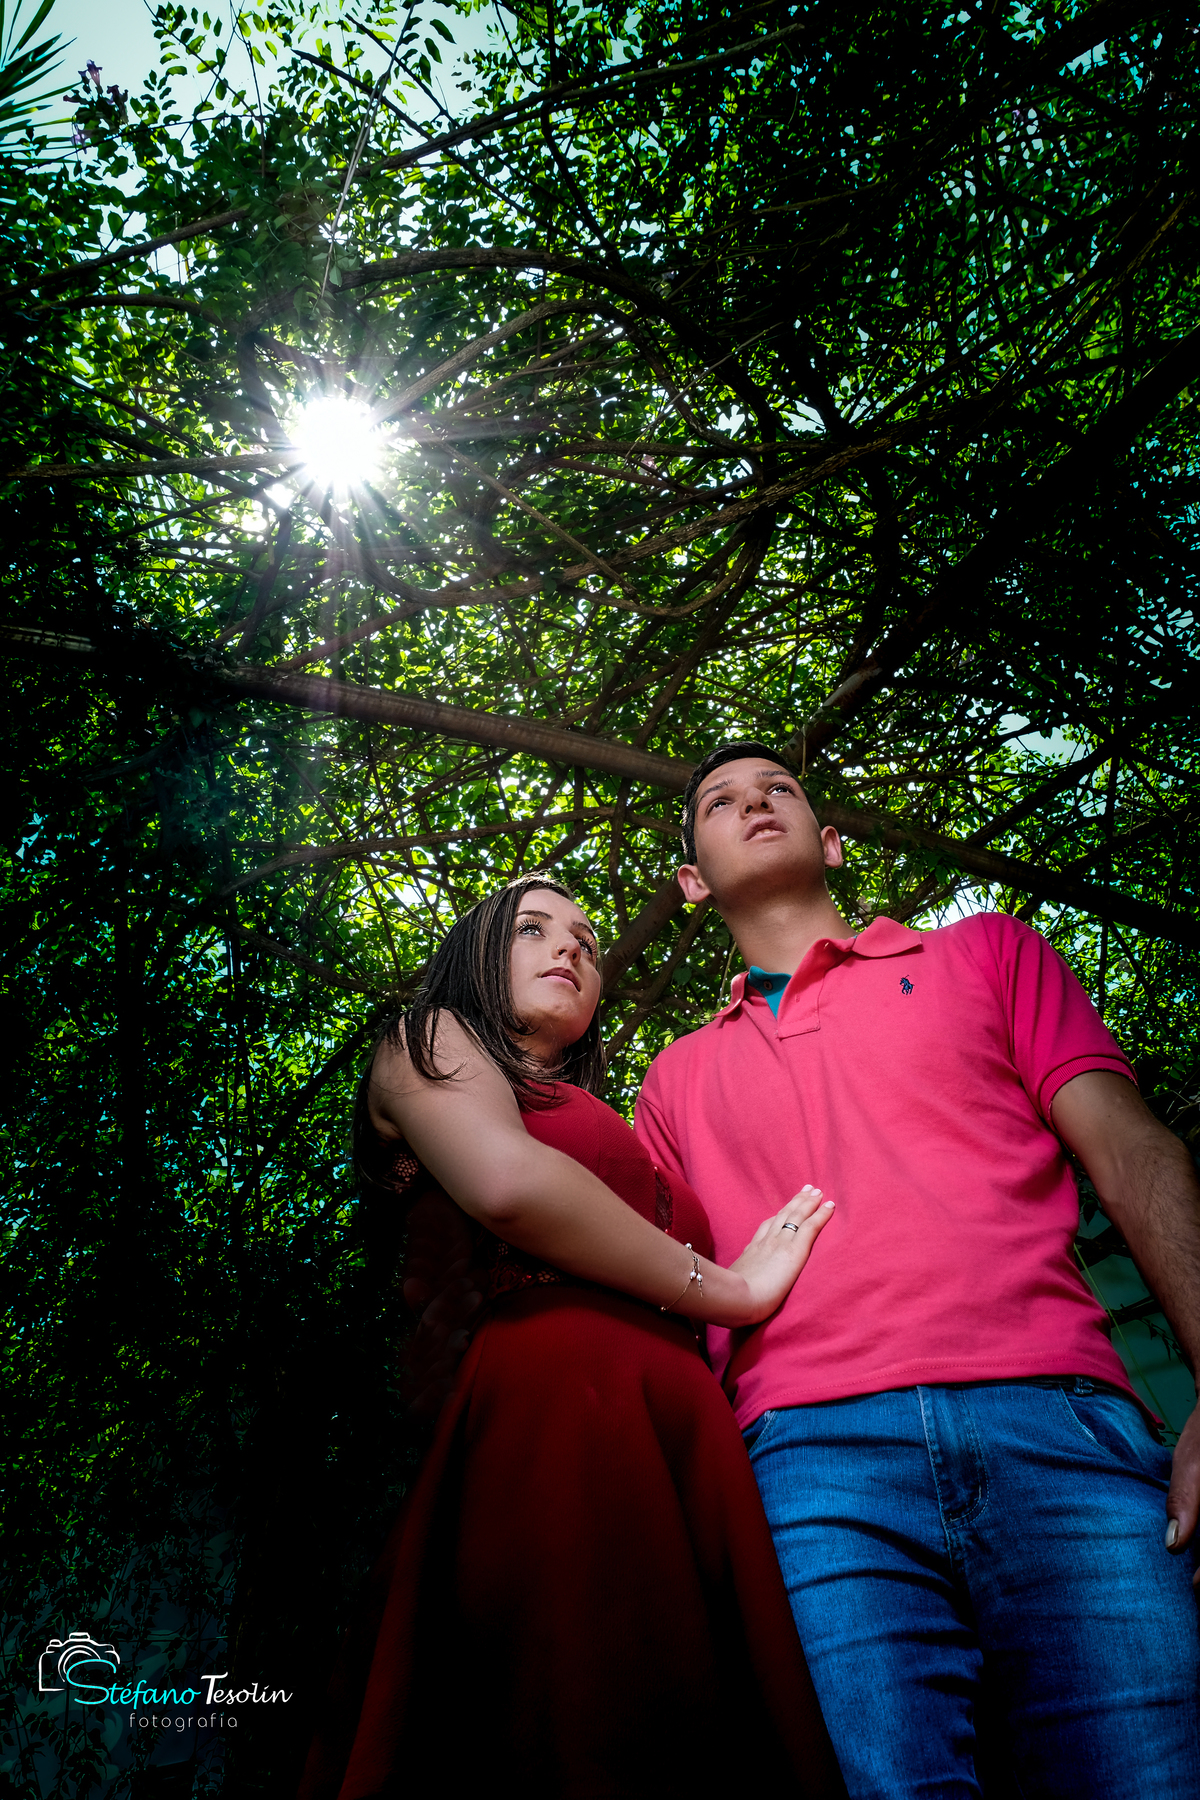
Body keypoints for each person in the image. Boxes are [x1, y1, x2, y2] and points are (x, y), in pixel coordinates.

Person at [633, 740, 1200, 1800]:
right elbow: (668, 1309)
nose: (755, 802)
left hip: (1060, 1423)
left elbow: (1134, 1152)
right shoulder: (670, 1083)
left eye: (780, 789)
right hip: (807, 1467)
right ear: (692, 883)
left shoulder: (987, 953)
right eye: (721, 802)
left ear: (832, 843)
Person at [298, 873, 846, 1800]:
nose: (570, 948)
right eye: (533, 929)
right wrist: (735, 1289)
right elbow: (509, 1185)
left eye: (587, 943)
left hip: (680, 1432)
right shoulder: (426, 1037)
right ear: (476, 954)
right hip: (557, 1415)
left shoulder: (608, 1122)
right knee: (579, 1714)